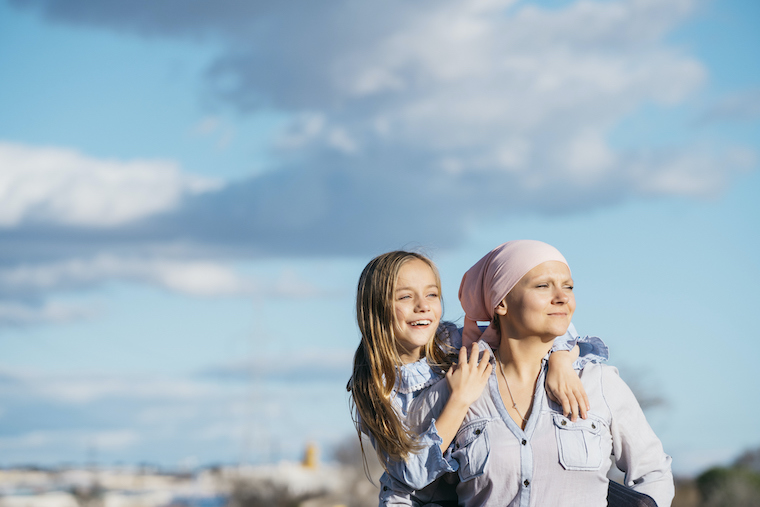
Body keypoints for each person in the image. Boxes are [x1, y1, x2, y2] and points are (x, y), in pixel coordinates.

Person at [405, 240, 674, 506]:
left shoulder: (598, 383)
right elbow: (403, 492)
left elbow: (653, 474)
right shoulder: (454, 390)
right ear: (501, 303)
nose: (562, 297)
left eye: (568, 286)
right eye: (543, 286)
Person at [347, 250, 608, 505]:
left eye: (432, 294)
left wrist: (560, 360)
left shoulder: (457, 344)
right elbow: (414, 474)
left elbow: (538, 324)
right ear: (376, 308)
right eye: (405, 297)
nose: (423, 306)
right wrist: (459, 399)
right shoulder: (375, 388)